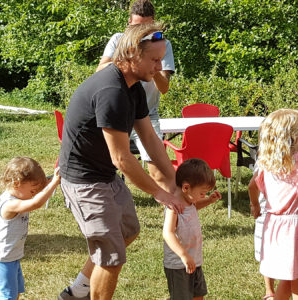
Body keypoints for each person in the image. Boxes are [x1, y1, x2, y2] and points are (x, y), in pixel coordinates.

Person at [57, 23, 182, 300]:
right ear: (131, 55)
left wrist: (173, 182)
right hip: (84, 182)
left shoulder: (134, 86)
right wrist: (159, 193)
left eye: (161, 59)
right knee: (111, 257)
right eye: (154, 60)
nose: (160, 67)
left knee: (127, 231)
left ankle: (77, 291)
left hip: (104, 176)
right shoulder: (111, 91)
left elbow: (148, 137)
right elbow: (122, 158)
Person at [97, 0, 175, 190]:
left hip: (147, 114)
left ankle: (173, 212)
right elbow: (99, 71)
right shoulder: (118, 39)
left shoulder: (161, 44)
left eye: (146, 27)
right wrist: (130, 57)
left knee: (159, 171)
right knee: (102, 164)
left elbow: (164, 88)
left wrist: (152, 61)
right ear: (129, 23)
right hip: (117, 113)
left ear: (154, 24)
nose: (141, 31)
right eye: (137, 26)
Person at [248, 108, 298, 300]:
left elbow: (252, 186)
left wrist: (255, 205)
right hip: (293, 228)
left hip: (274, 227)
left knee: (288, 279)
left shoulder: (267, 164)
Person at [0, 157, 60, 300]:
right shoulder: (10, 205)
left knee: (16, 292)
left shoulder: (19, 195)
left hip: (14, 256)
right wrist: (55, 183)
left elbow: (39, 192)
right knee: (8, 295)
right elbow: (36, 203)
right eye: (32, 191)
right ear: (16, 183)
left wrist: (52, 180)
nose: (35, 194)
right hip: (4, 259)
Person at [163, 158, 221, 300]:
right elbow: (168, 233)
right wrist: (183, 255)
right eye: (202, 193)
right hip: (178, 264)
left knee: (198, 294)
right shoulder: (173, 206)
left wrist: (208, 200)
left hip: (195, 260)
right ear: (186, 187)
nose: (204, 196)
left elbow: (193, 209)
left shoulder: (190, 201)